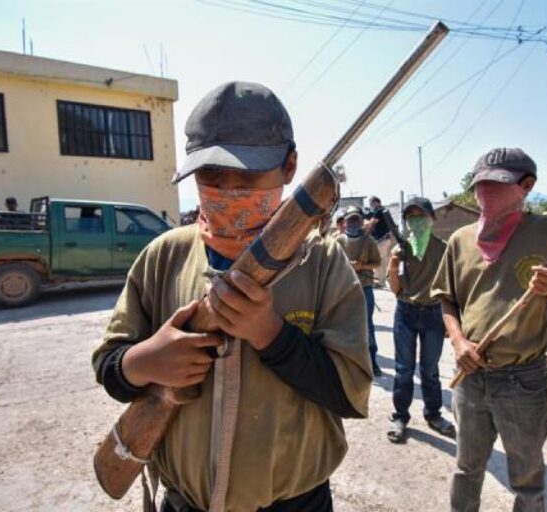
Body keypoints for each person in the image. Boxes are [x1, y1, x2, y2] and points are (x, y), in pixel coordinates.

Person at [92, 81, 372, 512]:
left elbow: (349, 394)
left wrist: (271, 335)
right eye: (212, 175)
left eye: (248, 174)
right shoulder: (164, 255)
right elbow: (111, 368)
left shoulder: (323, 262)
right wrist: (148, 359)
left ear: (290, 166)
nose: (229, 189)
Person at [432, 148, 547, 511]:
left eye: (496, 185)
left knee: (527, 479)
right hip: (470, 375)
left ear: (526, 185)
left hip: (523, 381)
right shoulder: (461, 239)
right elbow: (447, 301)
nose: (485, 193)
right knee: (466, 469)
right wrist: (458, 343)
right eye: (480, 185)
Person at [386, 197, 455, 443]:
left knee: (430, 369)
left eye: (421, 217)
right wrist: (393, 267)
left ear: (431, 219)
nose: (416, 222)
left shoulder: (444, 249)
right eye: (411, 218)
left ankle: (433, 415)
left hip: (434, 314)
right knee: (404, 369)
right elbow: (395, 290)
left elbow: (451, 288)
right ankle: (400, 416)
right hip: (405, 312)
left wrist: (452, 323)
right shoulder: (399, 250)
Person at [336, 205, 383, 377]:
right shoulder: (338, 241)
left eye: (356, 219)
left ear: (361, 221)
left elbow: (377, 263)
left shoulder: (369, 241)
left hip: (365, 288)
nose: (353, 223)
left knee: (367, 326)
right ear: (345, 222)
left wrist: (362, 266)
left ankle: (372, 362)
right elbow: (332, 264)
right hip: (345, 289)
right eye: (350, 220)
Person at [365, 196, 396, 288]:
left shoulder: (379, 211)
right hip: (386, 239)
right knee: (383, 260)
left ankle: (379, 282)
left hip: (381, 240)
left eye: (371, 203)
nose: (371, 206)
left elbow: (373, 222)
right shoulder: (384, 210)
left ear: (376, 202)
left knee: (378, 260)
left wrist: (366, 224)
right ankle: (381, 280)